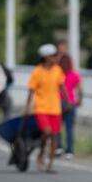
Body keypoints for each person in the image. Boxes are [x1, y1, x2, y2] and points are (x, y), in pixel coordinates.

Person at [24, 43, 67, 174]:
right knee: (46, 132)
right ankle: (42, 152)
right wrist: (27, 107)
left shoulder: (58, 70)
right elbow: (31, 90)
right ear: (46, 57)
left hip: (55, 108)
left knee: (54, 136)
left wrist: (68, 101)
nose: (55, 58)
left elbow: (62, 86)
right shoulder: (37, 71)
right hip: (41, 107)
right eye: (53, 56)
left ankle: (50, 164)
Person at [59, 53, 83, 158]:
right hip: (71, 102)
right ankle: (69, 151)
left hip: (58, 102)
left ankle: (58, 147)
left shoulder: (58, 74)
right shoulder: (75, 75)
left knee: (57, 127)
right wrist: (79, 100)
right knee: (69, 128)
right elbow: (80, 90)